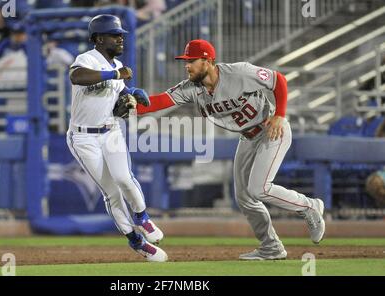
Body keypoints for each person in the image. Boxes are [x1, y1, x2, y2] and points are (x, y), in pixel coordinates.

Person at [136, 39, 326, 260]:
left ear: (207, 60)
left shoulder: (239, 73)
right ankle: (271, 247)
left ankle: (309, 206)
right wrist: (131, 106)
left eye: (191, 61)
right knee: (244, 197)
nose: (186, 65)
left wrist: (280, 115)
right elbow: (160, 101)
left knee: (258, 189)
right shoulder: (192, 89)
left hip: (271, 130)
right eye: (185, 61)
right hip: (247, 138)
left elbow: (278, 80)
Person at [67, 14, 167, 262]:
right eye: (115, 35)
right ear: (99, 38)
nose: (121, 39)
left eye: (121, 35)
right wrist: (116, 76)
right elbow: (76, 77)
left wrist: (134, 92)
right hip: (83, 138)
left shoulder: (114, 68)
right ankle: (136, 242)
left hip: (110, 130)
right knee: (111, 192)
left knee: (124, 177)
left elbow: (121, 91)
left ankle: (142, 217)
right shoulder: (87, 59)